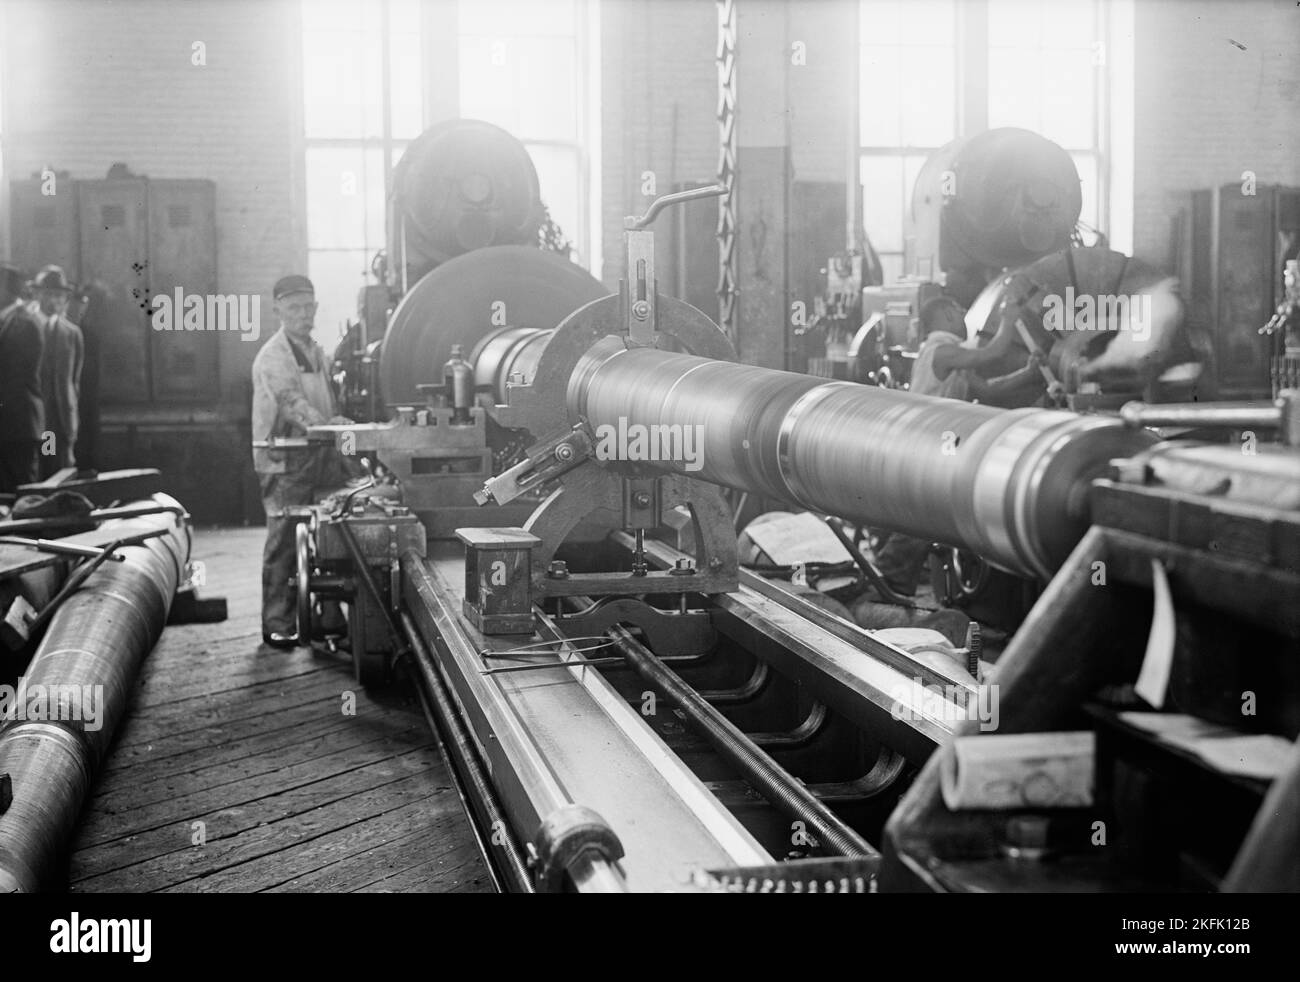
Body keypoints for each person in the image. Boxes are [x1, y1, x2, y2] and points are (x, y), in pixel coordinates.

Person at [872, 295, 1047, 597]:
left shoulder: (952, 355)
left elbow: (989, 389)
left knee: (927, 513)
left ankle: (894, 584)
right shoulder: (939, 350)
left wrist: (1030, 373)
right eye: (958, 308)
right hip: (924, 442)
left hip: (937, 443)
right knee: (923, 513)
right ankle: (888, 582)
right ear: (946, 316)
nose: (963, 312)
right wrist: (1008, 318)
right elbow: (991, 353)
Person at [252, 275, 356, 649]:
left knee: (328, 534)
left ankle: (329, 618)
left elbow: (330, 402)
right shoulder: (273, 357)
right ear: (277, 310)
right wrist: (332, 425)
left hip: (320, 455)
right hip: (285, 460)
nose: (302, 315)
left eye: (307, 307)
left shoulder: (316, 351)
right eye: (293, 308)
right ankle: (278, 622)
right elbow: (292, 402)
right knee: (283, 541)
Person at [28, 266, 84, 478]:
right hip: (33, 422)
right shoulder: (24, 328)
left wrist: (71, 426)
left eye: (60, 296)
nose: (55, 301)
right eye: (49, 294)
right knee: (37, 476)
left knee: (59, 475)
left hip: (58, 423)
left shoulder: (71, 334)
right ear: (37, 295)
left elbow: (73, 383)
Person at [0, 264, 45, 493]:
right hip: (13, 424)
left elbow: (14, 376)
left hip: (16, 424)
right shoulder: (11, 320)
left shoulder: (21, 322)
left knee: (22, 497)